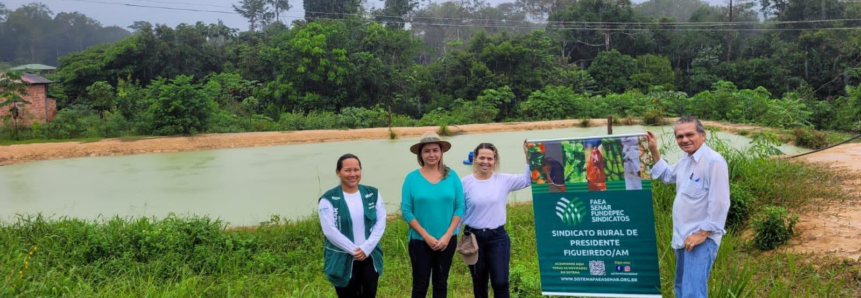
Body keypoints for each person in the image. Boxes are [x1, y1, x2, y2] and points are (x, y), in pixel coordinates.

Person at [644, 116, 730, 298]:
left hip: (701, 239)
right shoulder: (686, 160)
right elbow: (667, 176)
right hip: (684, 237)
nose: (684, 140)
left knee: (693, 293)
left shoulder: (713, 162)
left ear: (703, 135)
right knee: (682, 288)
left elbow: (720, 202)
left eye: (689, 134)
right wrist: (653, 150)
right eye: (679, 136)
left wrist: (702, 233)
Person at [460, 142, 531, 298]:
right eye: (482, 158)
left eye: (490, 158)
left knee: (500, 282)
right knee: (479, 282)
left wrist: (528, 157)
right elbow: (459, 211)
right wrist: (452, 236)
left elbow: (528, 180)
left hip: (497, 237)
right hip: (473, 238)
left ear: (495, 160)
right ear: (475, 160)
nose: (485, 162)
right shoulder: (464, 183)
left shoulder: (503, 180)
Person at [401, 131, 465, 298]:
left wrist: (448, 234)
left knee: (441, 283)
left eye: (435, 150)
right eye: (427, 151)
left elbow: (459, 207)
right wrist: (426, 236)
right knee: (420, 285)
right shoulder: (411, 178)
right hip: (419, 241)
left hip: (447, 240)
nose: (431, 154)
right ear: (420, 154)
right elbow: (407, 211)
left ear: (441, 152)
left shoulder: (452, 176)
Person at [318, 154, 386, 298]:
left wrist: (366, 248)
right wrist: (355, 251)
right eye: (347, 170)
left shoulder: (373, 193)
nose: (353, 174)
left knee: (369, 293)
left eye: (356, 170)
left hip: (369, 256)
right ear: (338, 172)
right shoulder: (328, 199)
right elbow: (329, 231)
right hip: (342, 258)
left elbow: (381, 222)